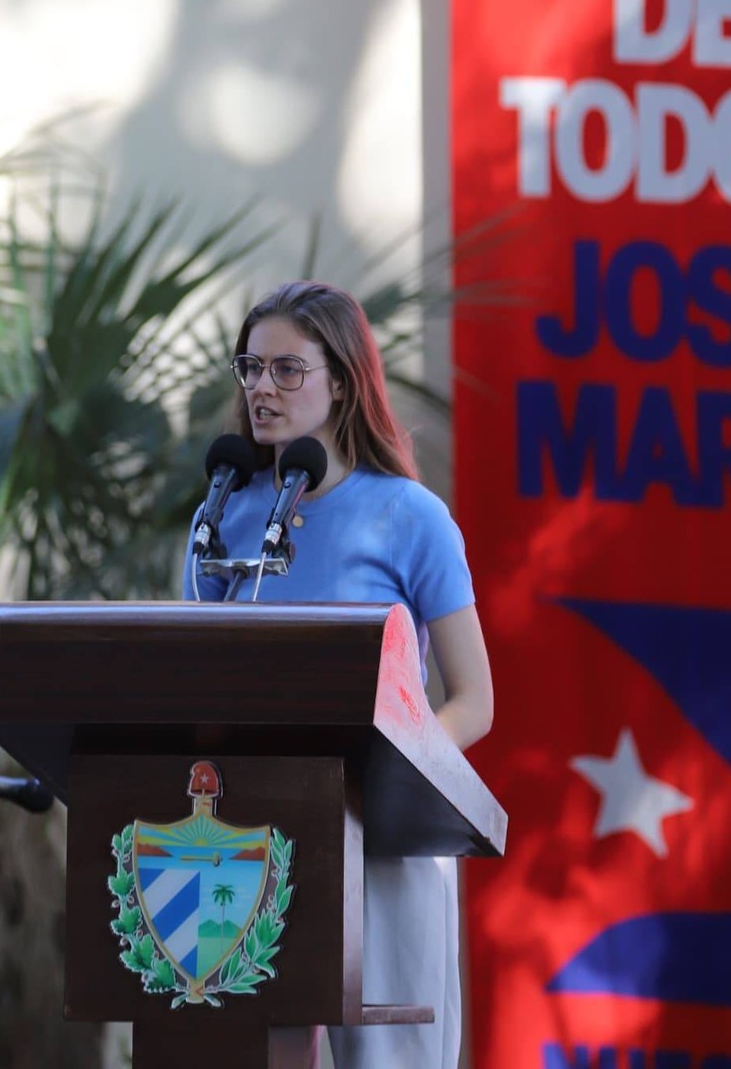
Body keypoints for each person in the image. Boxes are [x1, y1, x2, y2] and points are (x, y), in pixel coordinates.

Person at [183, 280, 493, 1069]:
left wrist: (384, 773)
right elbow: (189, 680)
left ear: (343, 382)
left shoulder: (410, 516)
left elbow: (473, 703)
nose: (260, 388)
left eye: (287, 370)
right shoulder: (222, 518)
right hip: (244, 840)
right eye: (250, 368)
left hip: (382, 834)